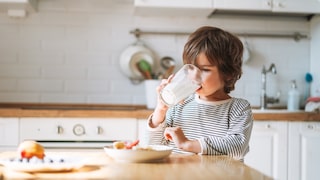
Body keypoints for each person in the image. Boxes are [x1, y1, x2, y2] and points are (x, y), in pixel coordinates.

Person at [145, 26, 253, 161]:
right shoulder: (178, 105)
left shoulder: (238, 108)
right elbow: (152, 147)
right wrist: (160, 110)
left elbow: (237, 147)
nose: (194, 76)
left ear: (228, 74)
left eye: (204, 69)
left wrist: (188, 144)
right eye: (190, 69)